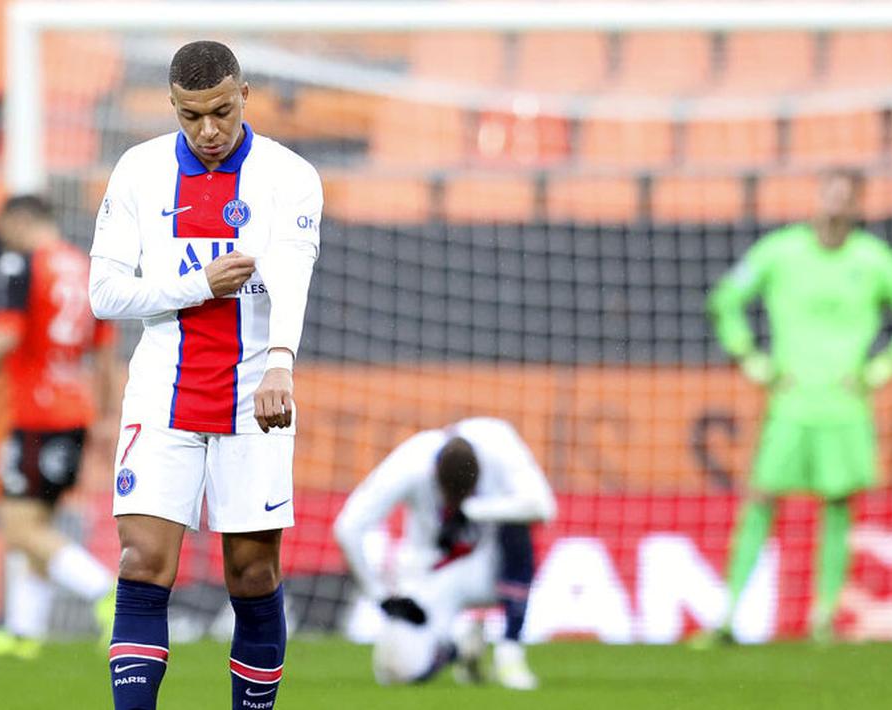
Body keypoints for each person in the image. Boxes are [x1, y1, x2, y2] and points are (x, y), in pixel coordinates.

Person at [87, 41, 321, 710]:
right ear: (173, 107)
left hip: (255, 395)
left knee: (251, 573)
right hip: (163, 389)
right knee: (142, 564)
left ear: (245, 95)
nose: (209, 130)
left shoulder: (288, 175)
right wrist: (196, 285)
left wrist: (281, 364)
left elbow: (292, 281)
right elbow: (104, 294)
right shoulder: (138, 171)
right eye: (192, 116)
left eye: (221, 111)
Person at [704, 169, 892, 643]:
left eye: (844, 197)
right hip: (790, 403)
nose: (834, 205)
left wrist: (882, 368)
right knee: (761, 501)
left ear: (857, 206)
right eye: (827, 194)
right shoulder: (780, 251)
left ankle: (824, 619)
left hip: (845, 407)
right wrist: (751, 359)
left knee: (837, 507)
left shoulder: (872, 260)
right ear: (815, 198)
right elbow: (726, 298)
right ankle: (728, 617)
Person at [0, 195, 120, 660]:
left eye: (4, 231)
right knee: (39, 523)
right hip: (74, 410)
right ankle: (23, 631)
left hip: (39, 413)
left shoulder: (20, 265)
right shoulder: (81, 266)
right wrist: (107, 414)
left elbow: (5, 333)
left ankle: (109, 593)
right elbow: (105, 352)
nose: (4, 242)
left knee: (17, 528)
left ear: (19, 223)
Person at [333, 417, 556, 690]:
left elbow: (543, 507)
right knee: (398, 672)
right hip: (431, 572)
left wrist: (472, 510)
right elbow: (348, 527)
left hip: (488, 568)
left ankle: (510, 652)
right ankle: (461, 647)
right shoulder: (411, 463)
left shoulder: (498, 443)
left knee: (518, 528)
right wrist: (381, 597)